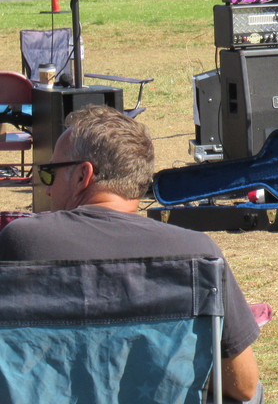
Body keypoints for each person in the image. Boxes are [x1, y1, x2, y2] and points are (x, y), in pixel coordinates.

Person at [0, 105, 263, 404]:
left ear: (82, 176)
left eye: (50, 174)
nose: (46, 189)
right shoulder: (198, 254)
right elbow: (243, 385)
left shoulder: (21, 242)